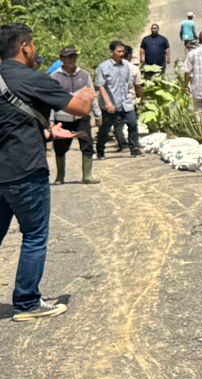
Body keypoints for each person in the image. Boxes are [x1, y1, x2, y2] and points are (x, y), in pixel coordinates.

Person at [0, 22, 94, 319]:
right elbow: (79, 108)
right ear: (25, 46)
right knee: (35, 235)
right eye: (34, 44)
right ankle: (28, 302)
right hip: (26, 171)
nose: (35, 49)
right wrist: (90, 95)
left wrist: (49, 134)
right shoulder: (32, 79)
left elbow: (11, 125)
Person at [49, 48, 94, 185]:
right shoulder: (55, 77)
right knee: (60, 148)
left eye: (74, 56)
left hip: (82, 117)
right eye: (69, 57)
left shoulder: (85, 75)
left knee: (87, 145)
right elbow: (50, 101)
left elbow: (92, 95)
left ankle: (87, 175)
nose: (72, 59)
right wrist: (51, 120)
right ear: (61, 58)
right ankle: (60, 176)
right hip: (63, 118)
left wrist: (97, 115)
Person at [95, 41, 142, 158]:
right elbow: (101, 87)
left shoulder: (126, 65)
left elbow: (128, 84)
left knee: (132, 123)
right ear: (111, 52)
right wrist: (108, 103)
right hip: (110, 104)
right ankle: (100, 149)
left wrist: (133, 97)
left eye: (123, 51)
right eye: (119, 51)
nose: (121, 54)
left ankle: (134, 148)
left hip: (126, 102)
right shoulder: (103, 67)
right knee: (105, 128)